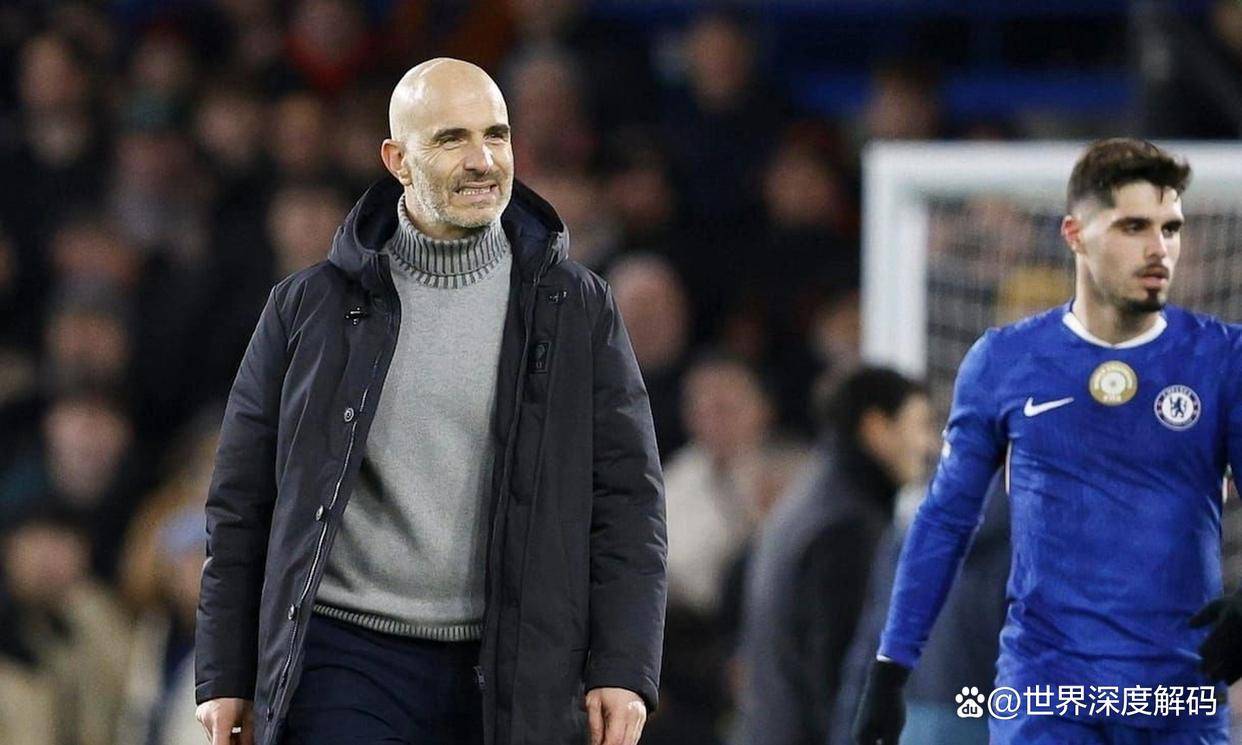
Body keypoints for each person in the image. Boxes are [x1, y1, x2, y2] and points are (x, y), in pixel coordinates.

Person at [194, 58, 666, 745]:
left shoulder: (578, 307)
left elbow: (628, 501)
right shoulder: (307, 308)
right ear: (398, 160)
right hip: (344, 658)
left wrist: (624, 664)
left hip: (515, 662)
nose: (482, 160)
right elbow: (241, 501)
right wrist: (224, 672)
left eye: (496, 135)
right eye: (451, 139)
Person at [853, 138, 1242, 744]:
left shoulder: (1221, 359)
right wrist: (890, 667)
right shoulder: (1005, 361)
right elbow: (944, 521)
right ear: (1075, 234)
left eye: (1170, 228)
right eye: (1134, 227)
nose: (1158, 248)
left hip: (1177, 698)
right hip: (1048, 697)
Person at [738, 367, 936, 745]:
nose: (932, 447)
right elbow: (841, 676)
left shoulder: (814, 498)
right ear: (877, 428)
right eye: (921, 426)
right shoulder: (848, 526)